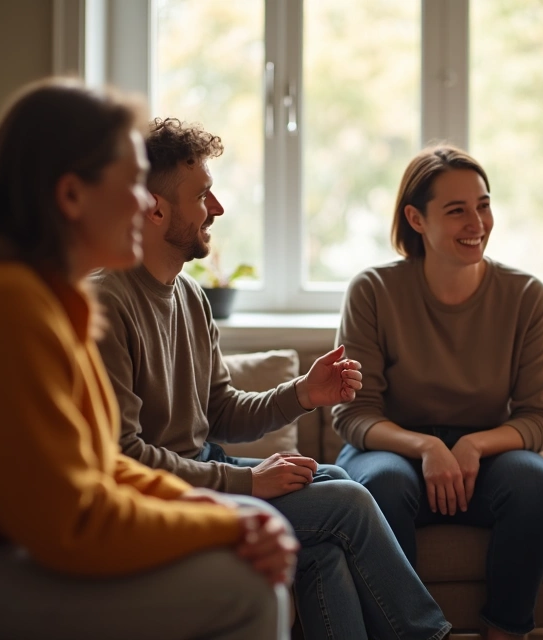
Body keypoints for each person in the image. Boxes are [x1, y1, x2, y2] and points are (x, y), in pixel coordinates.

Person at [0, 79, 297, 640]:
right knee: (245, 587)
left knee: (243, 568)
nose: (145, 201)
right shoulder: (1, 303)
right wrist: (224, 524)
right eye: (131, 182)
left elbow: (102, 467)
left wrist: (230, 515)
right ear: (71, 195)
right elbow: (73, 522)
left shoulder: (55, 298)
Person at [92, 117, 450, 640]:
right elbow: (123, 457)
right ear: (154, 208)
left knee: (333, 508)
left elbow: (220, 413)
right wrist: (247, 483)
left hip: (202, 470)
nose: (217, 209)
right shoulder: (105, 303)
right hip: (155, 500)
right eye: (203, 196)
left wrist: (304, 392)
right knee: (347, 504)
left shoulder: (190, 297)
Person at [333, 145, 543, 640]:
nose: (476, 222)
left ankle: (506, 631)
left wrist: (473, 445)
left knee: (532, 485)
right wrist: (427, 446)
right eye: (456, 210)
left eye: (483, 205)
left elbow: (540, 417)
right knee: (384, 487)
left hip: (484, 454)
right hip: (390, 449)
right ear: (415, 218)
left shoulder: (525, 296)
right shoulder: (372, 291)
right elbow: (354, 414)